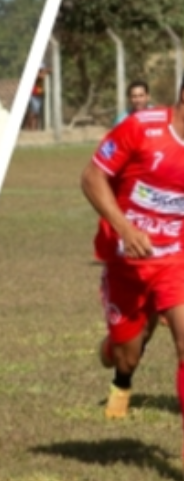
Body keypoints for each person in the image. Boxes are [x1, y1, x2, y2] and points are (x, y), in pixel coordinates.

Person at [81, 76, 184, 429]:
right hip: (126, 260)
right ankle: (119, 368)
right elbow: (92, 177)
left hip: (174, 259)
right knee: (127, 354)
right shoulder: (140, 128)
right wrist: (126, 229)